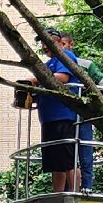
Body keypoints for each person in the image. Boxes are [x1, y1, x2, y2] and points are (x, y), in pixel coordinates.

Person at [55, 31, 103, 192]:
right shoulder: (52, 67)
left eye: (63, 44)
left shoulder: (84, 64)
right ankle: (66, 189)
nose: (60, 48)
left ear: (70, 45)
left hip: (83, 114)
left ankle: (86, 186)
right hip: (62, 116)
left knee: (85, 150)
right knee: (64, 152)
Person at [34, 27, 81, 192]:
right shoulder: (48, 64)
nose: (44, 47)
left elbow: (63, 77)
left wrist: (36, 79)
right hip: (49, 118)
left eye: (47, 42)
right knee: (56, 162)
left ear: (59, 42)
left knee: (68, 158)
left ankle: (74, 193)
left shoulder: (65, 56)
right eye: (42, 43)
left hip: (63, 115)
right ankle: (58, 195)